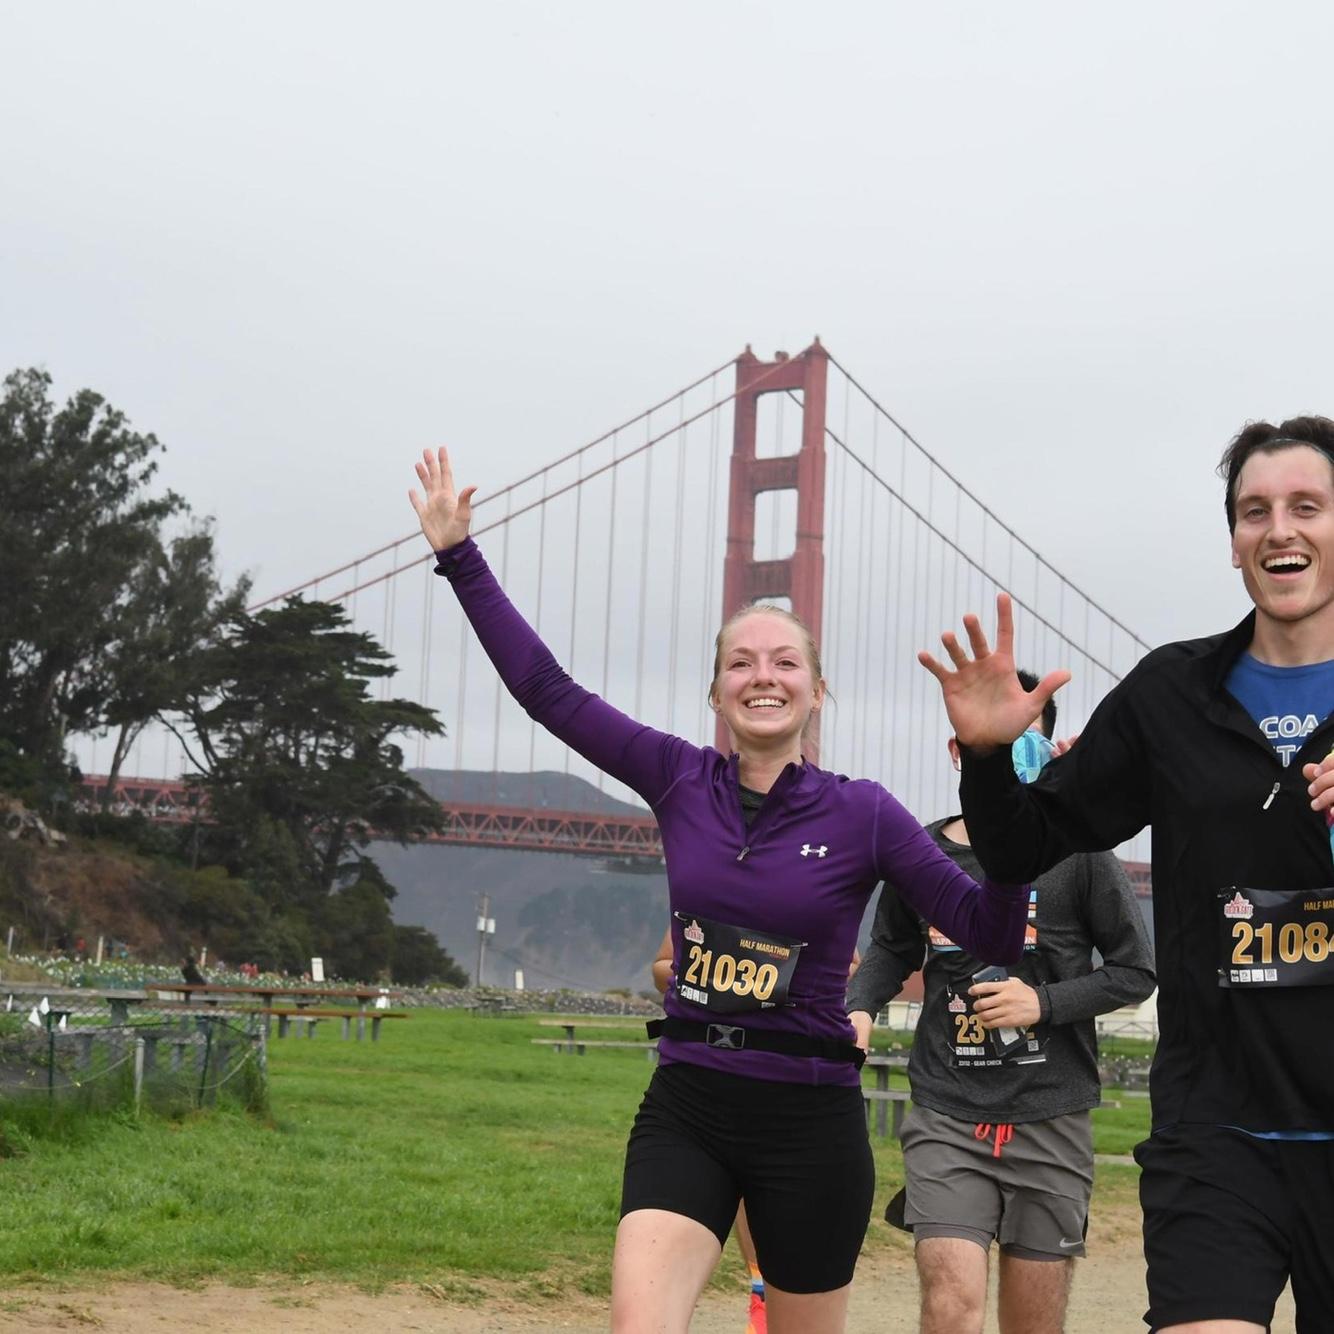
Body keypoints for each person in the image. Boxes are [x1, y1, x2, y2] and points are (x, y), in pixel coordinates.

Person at [411, 446, 1031, 1334]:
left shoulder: (866, 814)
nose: (763, 677)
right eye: (741, 663)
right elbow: (546, 692)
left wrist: (990, 769)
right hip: (690, 1098)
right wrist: (458, 555)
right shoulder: (675, 778)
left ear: (819, 691)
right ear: (715, 691)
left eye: (785, 663)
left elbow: (991, 932)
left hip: (810, 1119)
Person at [920, 417, 1334, 1332]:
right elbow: (1024, 847)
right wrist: (989, 759)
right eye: (1255, 512)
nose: (1280, 530)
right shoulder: (1169, 697)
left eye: (1307, 506)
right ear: (1233, 542)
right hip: (1215, 1130)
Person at [845, 672, 1155, 1334]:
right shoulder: (921, 852)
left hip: (1052, 1112)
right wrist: (860, 1006)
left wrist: (1040, 1004)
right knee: (951, 1301)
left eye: (1024, 739)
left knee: (1031, 1323)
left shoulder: (1082, 852)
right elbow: (891, 951)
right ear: (959, 751)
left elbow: (1135, 971)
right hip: (946, 1111)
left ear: (1046, 747)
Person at [648, 929, 864, 1334]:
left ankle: (771, 1289)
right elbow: (661, 968)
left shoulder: (801, 895)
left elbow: (851, 964)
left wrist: (793, 979)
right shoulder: (712, 888)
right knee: (738, 1188)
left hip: (791, 1074)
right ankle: (760, 1287)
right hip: (710, 1072)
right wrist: (710, 976)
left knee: (773, 1192)